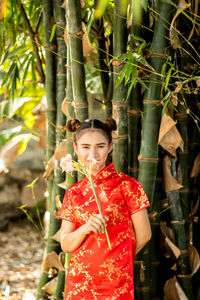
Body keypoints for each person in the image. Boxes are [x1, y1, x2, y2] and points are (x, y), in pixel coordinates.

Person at [58, 118, 152, 300]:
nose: (93, 153)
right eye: (85, 147)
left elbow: (145, 234)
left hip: (116, 281)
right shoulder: (74, 192)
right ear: (76, 149)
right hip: (80, 283)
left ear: (110, 147)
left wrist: (119, 260)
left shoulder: (128, 185)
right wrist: (85, 228)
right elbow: (66, 244)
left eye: (100, 146)